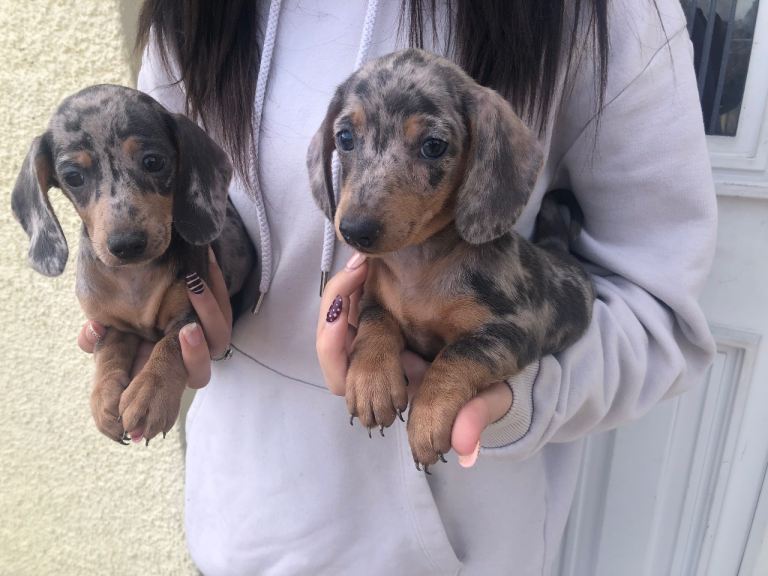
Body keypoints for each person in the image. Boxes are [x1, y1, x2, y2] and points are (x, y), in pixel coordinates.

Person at [79, 0, 718, 573]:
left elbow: (659, 313)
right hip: (240, 531)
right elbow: (174, 210)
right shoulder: (194, 11)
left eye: (431, 146)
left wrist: (515, 394)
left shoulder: (607, 16)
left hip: (458, 551)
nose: (353, 216)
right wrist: (165, 308)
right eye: (347, 142)